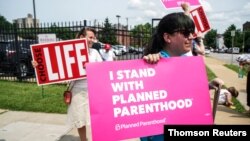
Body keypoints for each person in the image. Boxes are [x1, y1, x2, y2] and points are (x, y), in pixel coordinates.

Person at [32, 27, 103, 141]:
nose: (92, 40)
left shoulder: (94, 53)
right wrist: (38, 65)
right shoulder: (69, 51)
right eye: (90, 37)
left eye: (93, 38)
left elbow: (102, 69)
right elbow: (53, 64)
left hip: (93, 91)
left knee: (96, 119)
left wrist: (91, 68)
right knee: (80, 120)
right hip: (77, 92)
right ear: (81, 37)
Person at [141, 12, 195, 141]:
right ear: (168, 37)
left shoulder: (185, 62)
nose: (191, 37)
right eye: (186, 33)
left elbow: (183, 92)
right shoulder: (154, 63)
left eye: (192, 33)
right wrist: (147, 66)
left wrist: (208, 86)